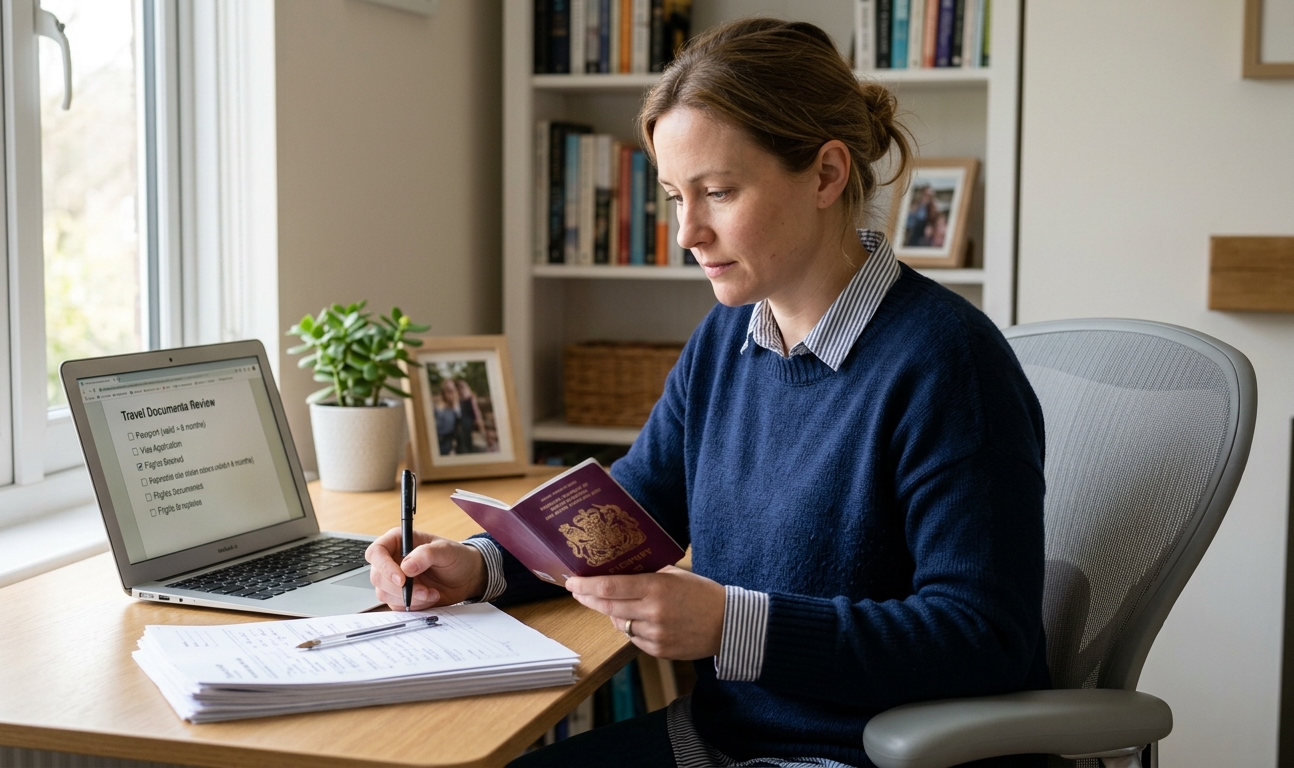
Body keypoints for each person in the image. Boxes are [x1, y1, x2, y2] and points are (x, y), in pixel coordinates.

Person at [366, 18, 1048, 768]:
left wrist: (733, 626)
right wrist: (478, 566)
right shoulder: (729, 339)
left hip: (863, 758)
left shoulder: (949, 364)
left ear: (826, 174)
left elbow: (986, 640)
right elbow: (623, 517)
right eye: (672, 196)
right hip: (721, 741)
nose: (688, 231)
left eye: (718, 192)